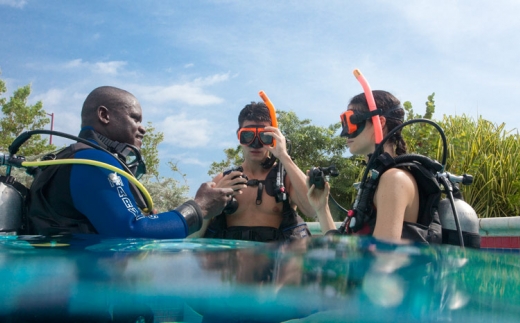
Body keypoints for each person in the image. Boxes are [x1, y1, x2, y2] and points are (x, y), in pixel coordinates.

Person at [27, 86, 233, 238]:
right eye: (135, 118)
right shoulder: (94, 162)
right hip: (78, 289)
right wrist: (200, 207)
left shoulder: (70, 157)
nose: (142, 128)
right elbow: (130, 230)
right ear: (104, 115)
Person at [307, 90, 442, 243]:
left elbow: (381, 260)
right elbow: (344, 250)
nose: (345, 133)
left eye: (351, 122)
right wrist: (321, 208)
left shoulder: (394, 179)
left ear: (380, 122)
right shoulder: (377, 180)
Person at [194, 102, 314, 242]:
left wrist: (284, 156)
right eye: (248, 135)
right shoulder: (222, 180)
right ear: (239, 137)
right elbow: (195, 236)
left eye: (264, 136)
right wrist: (211, 203)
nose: (255, 143)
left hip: (274, 262)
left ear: (275, 138)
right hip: (232, 262)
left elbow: (312, 210)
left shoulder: (285, 178)